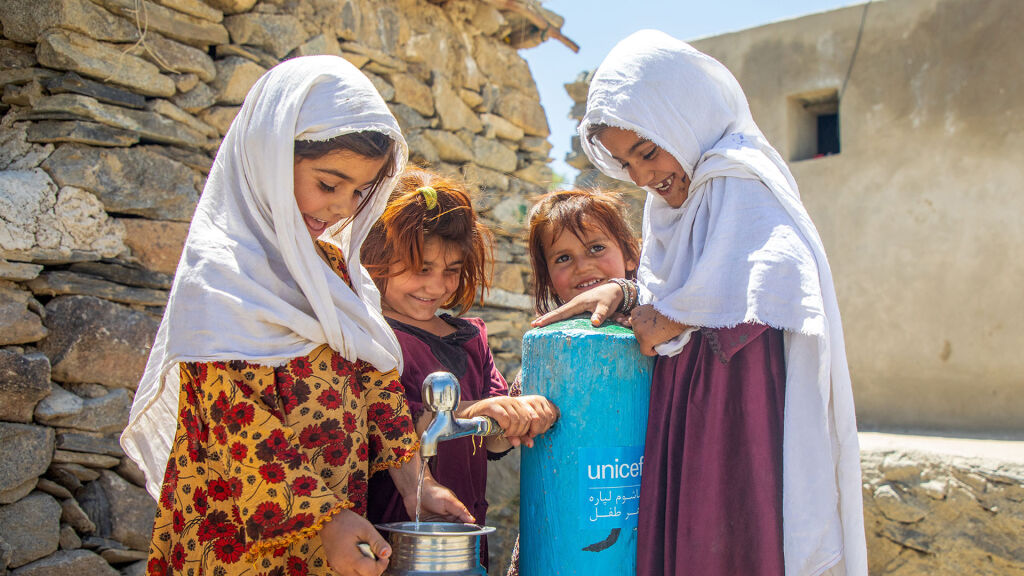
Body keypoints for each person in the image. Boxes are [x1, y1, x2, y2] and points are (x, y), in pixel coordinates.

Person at [120, 56, 472, 576]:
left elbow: (375, 382)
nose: (340, 208)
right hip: (238, 536)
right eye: (328, 184)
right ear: (266, 157)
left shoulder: (330, 270)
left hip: (334, 532)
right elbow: (234, 427)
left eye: (358, 193)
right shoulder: (221, 276)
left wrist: (415, 483)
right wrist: (324, 520)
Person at [533, 30, 867, 576]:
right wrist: (634, 297)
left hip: (740, 406)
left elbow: (775, 275)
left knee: (731, 532)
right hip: (688, 403)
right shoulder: (672, 206)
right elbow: (678, 289)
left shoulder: (736, 173)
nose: (644, 176)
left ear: (684, 117)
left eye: (648, 151)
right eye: (626, 164)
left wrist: (670, 317)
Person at [361, 169, 558, 569]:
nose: (437, 286)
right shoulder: (367, 336)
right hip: (391, 531)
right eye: (421, 267)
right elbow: (387, 422)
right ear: (375, 255)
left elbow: (492, 441)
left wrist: (517, 418)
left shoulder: (470, 338)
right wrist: (472, 411)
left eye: (451, 270)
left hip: (463, 527)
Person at [505, 187, 642, 576]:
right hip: (559, 539)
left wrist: (626, 292)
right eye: (563, 258)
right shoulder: (550, 342)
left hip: (643, 532)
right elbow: (511, 421)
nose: (583, 267)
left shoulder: (651, 320)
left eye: (597, 248)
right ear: (548, 276)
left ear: (631, 253)